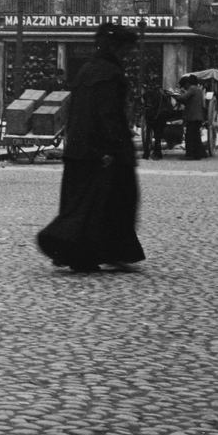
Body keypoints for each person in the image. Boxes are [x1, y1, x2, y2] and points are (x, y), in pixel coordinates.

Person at [35, 22, 144, 274]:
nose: (127, 56)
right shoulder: (110, 74)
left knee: (85, 203)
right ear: (116, 48)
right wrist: (111, 149)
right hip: (102, 151)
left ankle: (94, 252)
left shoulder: (85, 70)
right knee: (104, 204)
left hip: (80, 148)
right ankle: (88, 251)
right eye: (126, 51)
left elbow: (77, 112)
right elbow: (109, 115)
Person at [179, 75, 207, 160]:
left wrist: (176, 97)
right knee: (196, 136)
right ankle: (200, 153)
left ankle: (190, 154)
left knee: (189, 136)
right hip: (198, 116)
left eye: (184, 86)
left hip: (193, 117)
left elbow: (183, 98)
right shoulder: (198, 90)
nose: (184, 87)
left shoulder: (192, 89)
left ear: (188, 83)